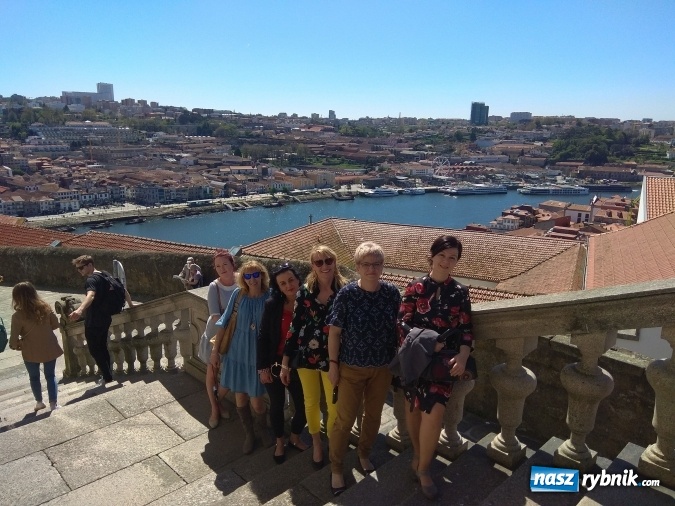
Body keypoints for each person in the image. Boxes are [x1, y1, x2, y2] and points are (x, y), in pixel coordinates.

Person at [397, 235, 473, 500]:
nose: (446, 261)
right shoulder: (415, 287)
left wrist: (463, 356)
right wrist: (430, 341)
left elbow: (466, 329)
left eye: (452, 257)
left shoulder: (460, 292)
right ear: (432, 256)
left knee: (435, 413)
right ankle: (418, 456)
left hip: (442, 366)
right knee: (414, 411)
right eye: (442, 255)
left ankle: (424, 469)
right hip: (415, 361)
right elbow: (402, 324)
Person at [327, 242, 401, 496]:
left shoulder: (391, 293)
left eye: (376, 263)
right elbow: (334, 333)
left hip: (382, 368)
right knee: (344, 419)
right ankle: (337, 467)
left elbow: (400, 327)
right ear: (358, 267)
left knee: (373, 415)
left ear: (383, 266)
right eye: (366, 264)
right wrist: (333, 365)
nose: (372, 269)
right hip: (351, 368)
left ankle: (364, 453)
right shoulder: (347, 295)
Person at [280, 245, 348, 469]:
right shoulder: (305, 292)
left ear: (335, 261)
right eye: (319, 262)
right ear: (312, 266)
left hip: (333, 359)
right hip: (306, 356)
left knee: (333, 405)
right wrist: (285, 364)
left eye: (328, 260)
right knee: (311, 402)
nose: (324, 265)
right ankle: (317, 443)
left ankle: (332, 443)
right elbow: (294, 328)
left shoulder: (345, 290)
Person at [210, 260, 271, 454]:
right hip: (237, 353)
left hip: (257, 356)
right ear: (243, 278)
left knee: (257, 401)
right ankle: (249, 434)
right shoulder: (238, 295)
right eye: (248, 275)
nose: (252, 279)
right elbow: (223, 323)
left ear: (262, 275)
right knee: (240, 397)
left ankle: (263, 429)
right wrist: (215, 351)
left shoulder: (270, 297)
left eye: (256, 274)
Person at [257, 263, 310, 463]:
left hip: (300, 363)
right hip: (275, 363)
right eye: (283, 283)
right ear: (278, 287)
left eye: (291, 280)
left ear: (298, 280)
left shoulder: (309, 303)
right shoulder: (272, 305)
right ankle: (280, 441)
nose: (288, 286)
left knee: (304, 405)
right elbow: (263, 337)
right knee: (277, 405)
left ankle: (295, 436)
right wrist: (262, 368)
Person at [69, 255, 134, 386]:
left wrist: (80, 310)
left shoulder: (91, 280)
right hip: (106, 318)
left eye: (81, 268)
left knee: (94, 349)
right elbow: (122, 289)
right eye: (78, 269)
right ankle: (107, 375)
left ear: (90, 265)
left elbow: (91, 295)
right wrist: (131, 305)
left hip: (94, 320)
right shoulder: (105, 274)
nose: (79, 271)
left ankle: (107, 376)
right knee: (103, 347)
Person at [9, 282, 64, 411]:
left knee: (34, 377)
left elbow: (13, 340)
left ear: (16, 298)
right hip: (49, 346)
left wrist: (18, 345)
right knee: (50, 375)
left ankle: (39, 402)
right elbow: (55, 325)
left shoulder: (17, 316)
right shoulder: (46, 308)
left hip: (30, 350)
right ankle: (53, 404)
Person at [204, 249, 238, 429]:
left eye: (225, 264)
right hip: (216, 335)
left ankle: (217, 403)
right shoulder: (214, 287)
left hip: (237, 336)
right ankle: (214, 409)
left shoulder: (243, 281)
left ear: (233, 264)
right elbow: (215, 316)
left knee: (231, 374)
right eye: (218, 266)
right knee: (212, 371)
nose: (222, 268)